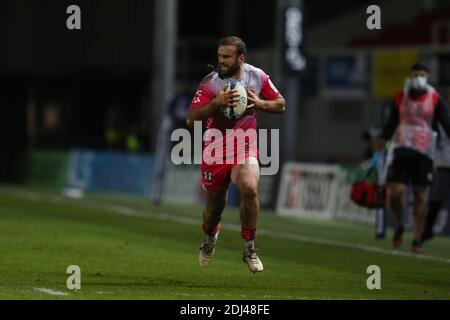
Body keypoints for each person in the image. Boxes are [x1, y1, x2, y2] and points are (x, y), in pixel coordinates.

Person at [186, 36, 285, 272]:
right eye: (219, 56)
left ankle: (249, 247)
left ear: (241, 57)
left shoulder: (257, 77)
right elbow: (191, 118)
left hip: (244, 144)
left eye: (226, 57)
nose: (221, 61)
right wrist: (216, 103)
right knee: (213, 211)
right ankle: (209, 240)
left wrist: (261, 104)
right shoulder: (210, 83)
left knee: (249, 187)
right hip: (215, 148)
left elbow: (281, 103)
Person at [376, 62, 450, 253]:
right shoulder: (401, 97)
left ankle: (416, 240)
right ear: (410, 76)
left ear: (427, 77)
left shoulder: (435, 98)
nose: (419, 77)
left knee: (421, 197)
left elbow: (446, 121)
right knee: (397, 193)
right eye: (416, 74)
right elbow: (391, 121)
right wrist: (382, 138)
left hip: (424, 152)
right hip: (401, 149)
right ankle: (400, 223)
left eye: (422, 74)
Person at [421, 123, 450, 243]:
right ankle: (427, 231)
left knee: (435, 200)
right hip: (443, 164)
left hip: (442, 164)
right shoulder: (441, 118)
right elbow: (433, 139)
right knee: (435, 200)